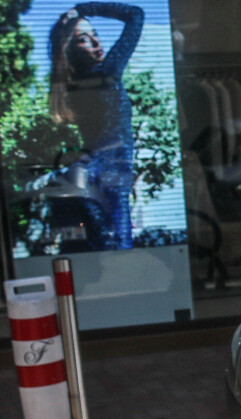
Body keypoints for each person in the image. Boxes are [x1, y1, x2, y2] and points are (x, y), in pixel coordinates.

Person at [48, 3, 144, 251]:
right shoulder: (106, 74)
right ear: (69, 49)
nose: (95, 42)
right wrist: (82, 9)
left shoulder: (69, 86)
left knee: (97, 252)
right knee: (118, 253)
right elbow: (136, 14)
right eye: (83, 39)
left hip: (91, 175)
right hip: (108, 178)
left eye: (95, 35)